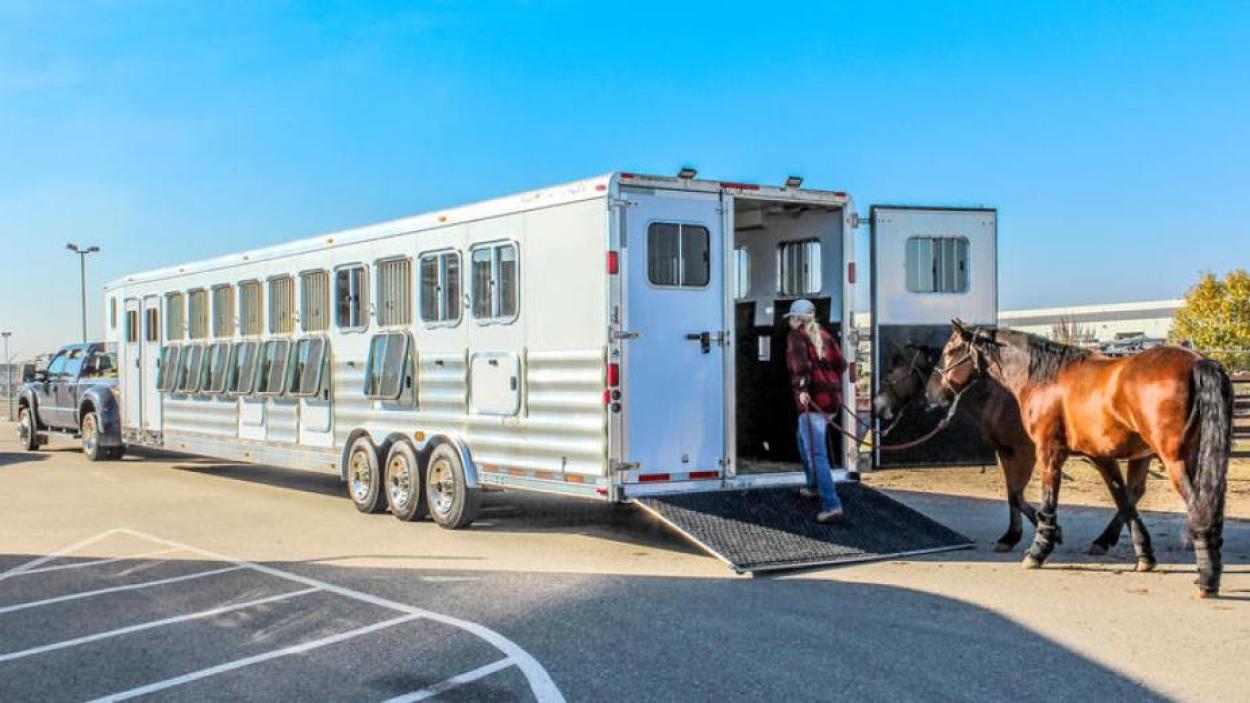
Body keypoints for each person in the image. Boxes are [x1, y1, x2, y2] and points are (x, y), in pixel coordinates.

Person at [784, 298, 848, 523]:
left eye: (791, 317)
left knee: (817, 454)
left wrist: (802, 387)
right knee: (802, 439)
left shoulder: (796, 337)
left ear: (797, 319)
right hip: (831, 403)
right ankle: (812, 486)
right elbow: (842, 365)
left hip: (812, 403)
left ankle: (832, 504)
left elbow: (800, 367)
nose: (789, 322)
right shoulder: (826, 336)